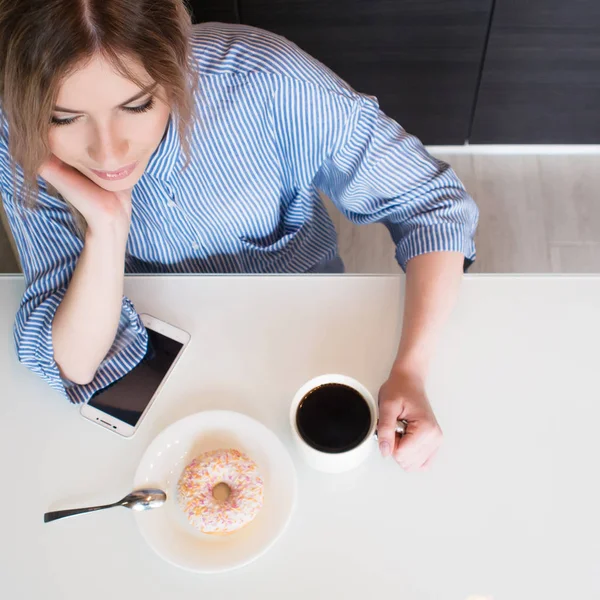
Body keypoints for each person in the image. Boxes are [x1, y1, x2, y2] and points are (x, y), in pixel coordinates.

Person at [0, 0, 478, 471]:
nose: (108, 153)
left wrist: (412, 370)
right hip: (161, 362)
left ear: (176, 64)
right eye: (63, 118)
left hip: (307, 330)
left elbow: (430, 204)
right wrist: (106, 228)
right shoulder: (19, 127)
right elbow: (76, 363)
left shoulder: (267, 81)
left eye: (138, 104)